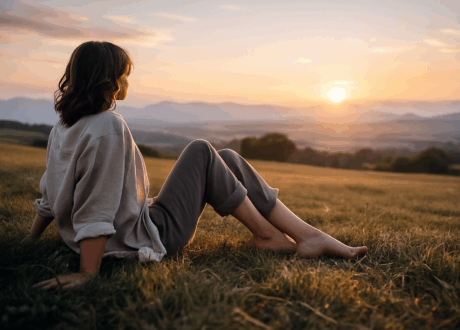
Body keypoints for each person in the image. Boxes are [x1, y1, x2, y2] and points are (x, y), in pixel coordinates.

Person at [24, 41, 368, 290]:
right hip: (146, 237)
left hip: (130, 226)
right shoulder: (107, 127)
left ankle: (306, 236)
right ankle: (269, 235)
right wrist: (88, 272)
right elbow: (97, 206)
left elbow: (50, 194)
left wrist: (31, 239)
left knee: (227, 159)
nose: (127, 83)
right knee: (202, 150)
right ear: (110, 81)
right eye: (124, 76)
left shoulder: (63, 128)